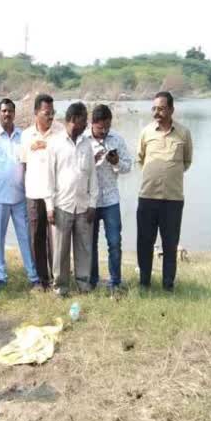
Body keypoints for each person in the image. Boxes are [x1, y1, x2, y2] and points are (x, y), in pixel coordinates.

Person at [136, 91, 193, 291]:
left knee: (170, 244)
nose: (156, 112)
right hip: (148, 197)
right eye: (154, 108)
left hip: (173, 199)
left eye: (160, 108)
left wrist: (169, 174)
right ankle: (144, 283)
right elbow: (141, 159)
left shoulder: (184, 133)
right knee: (144, 242)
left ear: (171, 109)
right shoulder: (146, 132)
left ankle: (168, 284)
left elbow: (186, 162)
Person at [0, 99, 39, 289]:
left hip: (20, 197)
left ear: (14, 113)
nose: (7, 114)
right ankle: (0, 275)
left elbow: (29, 164)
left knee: (25, 237)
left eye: (10, 111)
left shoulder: (23, 136)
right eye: (4, 111)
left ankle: (32, 275)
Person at [46, 102, 98, 296]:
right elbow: (49, 178)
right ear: (74, 119)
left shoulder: (87, 144)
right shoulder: (55, 144)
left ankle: (83, 284)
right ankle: (60, 287)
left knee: (84, 248)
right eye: (84, 119)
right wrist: (49, 206)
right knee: (60, 250)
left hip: (84, 206)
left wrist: (93, 203)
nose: (86, 123)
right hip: (62, 205)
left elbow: (92, 176)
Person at [86, 104, 132, 292]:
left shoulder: (117, 139)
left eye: (107, 126)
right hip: (90, 201)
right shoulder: (84, 141)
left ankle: (115, 281)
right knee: (91, 243)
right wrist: (93, 161)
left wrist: (116, 162)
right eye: (100, 128)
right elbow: (77, 171)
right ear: (92, 124)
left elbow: (128, 166)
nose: (104, 131)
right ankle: (93, 280)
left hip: (111, 198)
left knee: (114, 242)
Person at [21, 94, 63, 289]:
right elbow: (23, 164)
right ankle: (41, 279)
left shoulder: (60, 131)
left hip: (56, 193)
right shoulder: (26, 135)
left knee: (55, 238)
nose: (51, 117)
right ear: (36, 113)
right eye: (47, 113)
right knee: (36, 236)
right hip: (34, 193)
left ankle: (58, 278)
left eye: (53, 113)